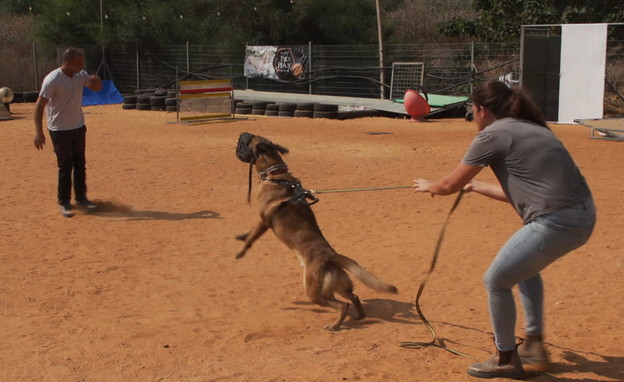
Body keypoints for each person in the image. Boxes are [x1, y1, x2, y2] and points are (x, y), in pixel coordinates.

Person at [413, 80, 595, 379]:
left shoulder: (493, 135)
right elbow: (523, 191)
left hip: (557, 222)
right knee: (523, 269)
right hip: (582, 218)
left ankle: (506, 358)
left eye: (472, 111)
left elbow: (447, 185)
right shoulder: (531, 127)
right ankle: (534, 344)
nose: (473, 118)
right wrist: (477, 186)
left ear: (482, 110)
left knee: (496, 281)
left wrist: (428, 186)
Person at [33, 47, 102, 218]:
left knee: (80, 164)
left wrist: (96, 80)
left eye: (82, 63)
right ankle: (64, 202)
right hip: (59, 130)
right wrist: (38, 132)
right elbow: (39, 106)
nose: (81, 66)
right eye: (78, 63)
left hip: (78, 127)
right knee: (65, 165)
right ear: (67, 62)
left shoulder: (80, 75)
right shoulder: (53, 79)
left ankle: (81, 199)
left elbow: (96, 88)